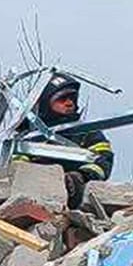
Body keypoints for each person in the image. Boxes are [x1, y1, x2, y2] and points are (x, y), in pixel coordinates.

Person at [32, 73, 115, 208]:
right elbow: (17, 165)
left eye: (72, 98)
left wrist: (81, 176)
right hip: (34, 198)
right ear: (45, 104)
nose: (69, 103)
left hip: (77, 203)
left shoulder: (87, 132)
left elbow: (103, 161)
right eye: (62, 99)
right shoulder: (29, 137)